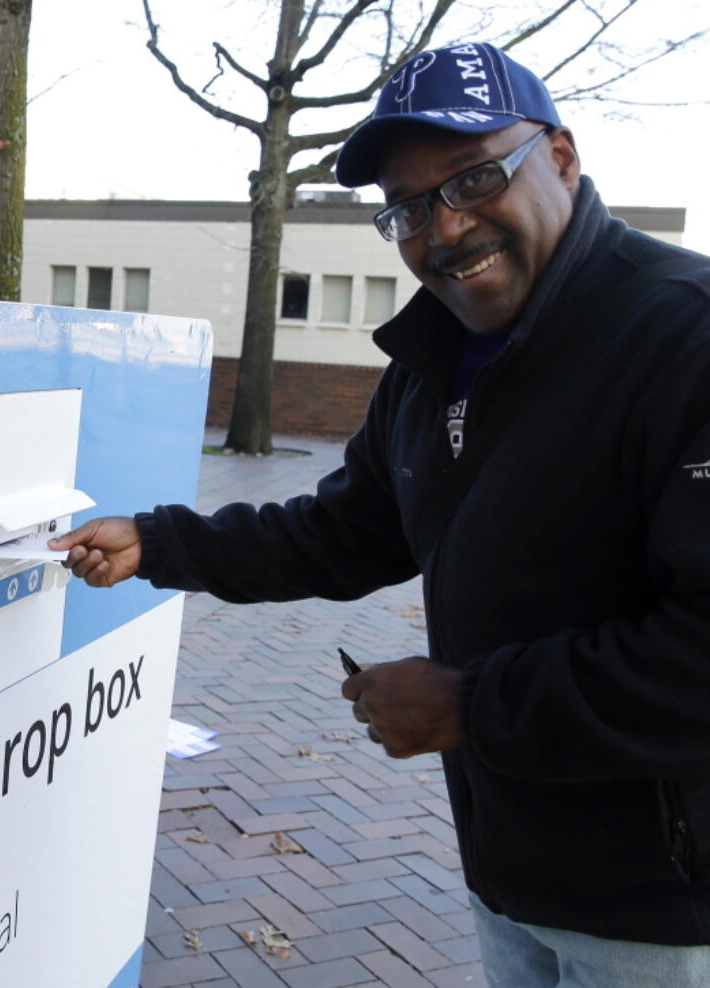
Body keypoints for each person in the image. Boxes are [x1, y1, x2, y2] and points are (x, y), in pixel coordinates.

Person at [50, 42, 710, 987]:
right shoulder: (433, 361)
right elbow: (346, 530)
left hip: (666, 912)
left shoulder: (685, 333)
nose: (442, 229)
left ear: (561, 157)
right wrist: (158, 541)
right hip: (510, 877)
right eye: (405, 207)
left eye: (473, 177)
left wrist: (470, 707)